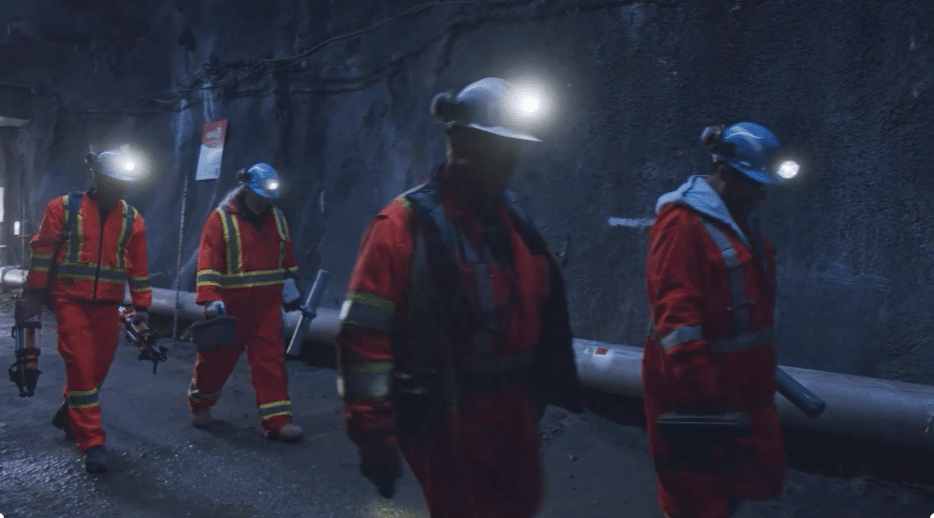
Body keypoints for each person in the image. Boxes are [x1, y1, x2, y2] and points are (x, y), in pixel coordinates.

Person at [336, 77, 582, 517]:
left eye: (512, 150)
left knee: (518, 505)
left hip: (514, 406)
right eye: (496, 149)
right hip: (446, 410)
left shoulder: (513, 221)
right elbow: (363, 339)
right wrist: (373, 433)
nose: (508, 162)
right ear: (458, 144)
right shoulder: (401, 226)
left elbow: (542, 306)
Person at [643, 122, 796, 518]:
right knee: (696, 500)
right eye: (753, 183)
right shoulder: (682, 223)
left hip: (738, 389)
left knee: (728, 495)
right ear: (725, 173)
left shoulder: (738, 219)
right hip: (696, 393)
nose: (761, 194)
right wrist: (707, 399)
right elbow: (677, 323)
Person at [23, 147, 152, 473]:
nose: (118, 188)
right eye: (112, 180)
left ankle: (70, 412)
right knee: (81, 366)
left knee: (99, 367)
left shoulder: (132, 220)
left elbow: (138, 268)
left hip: (109, 306)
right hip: (70, 302)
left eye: (124, 182)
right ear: (97, 177)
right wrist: (34, 295)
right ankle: (91, 441)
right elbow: (42, 255)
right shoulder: (63, 209)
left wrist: (142, 308)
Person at [188, 162, 304, 442]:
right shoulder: (221, 219)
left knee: (270, 363)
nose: (264, 201)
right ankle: (200, 405)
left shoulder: (277, 218)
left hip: (265, 307)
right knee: (215, 362)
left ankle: (277, 421)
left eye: (268, 196)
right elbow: (208, 261)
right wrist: (210, 299)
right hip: (231, 307)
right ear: (246, 189)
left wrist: (291, 294)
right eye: (259, 194)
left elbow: (285, 258)